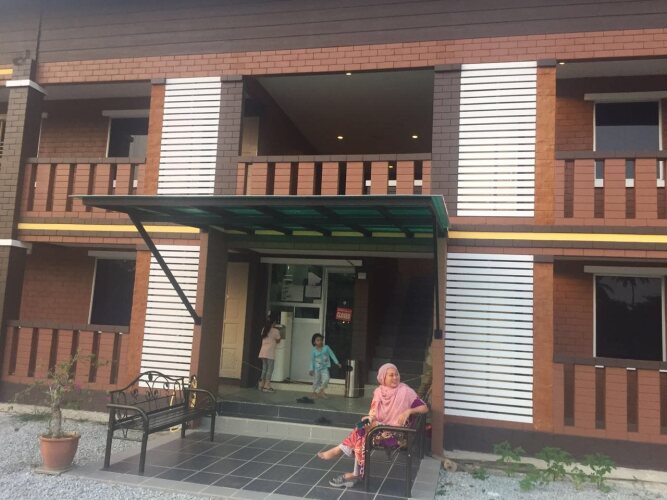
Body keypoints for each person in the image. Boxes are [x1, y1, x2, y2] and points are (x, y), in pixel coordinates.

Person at [317, 363, 428, 488]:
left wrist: (409, 411)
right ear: (383, 378)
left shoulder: (406, 391)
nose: (395, 377)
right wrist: (370, 418)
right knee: (362, 427)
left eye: (396, 374)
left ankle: (343, 453)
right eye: (391, 375)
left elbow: (424, 408)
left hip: (395, 434)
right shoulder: (379, 392)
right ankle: (353, 470)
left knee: (362, 431)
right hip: (380, 428)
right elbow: (373, 413)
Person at [309, 333, 341, 399]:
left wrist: (337, 362)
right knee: (316, 381)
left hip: (324, 368)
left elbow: (332, 354)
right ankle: (314, 392)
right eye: (318, 340)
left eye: (321, 340)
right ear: (314, 342)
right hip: (316, 369)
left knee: (326, 379)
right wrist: (311, 369)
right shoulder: (313, 351)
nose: (320, 341)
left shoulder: (326, 348)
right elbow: (312, 360)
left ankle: (320, 391)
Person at [258, 313, 281, 392]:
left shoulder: (264, 329)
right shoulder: (276, 330)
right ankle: (267, 386)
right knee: (270, 369)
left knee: (264, 368)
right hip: (270, 352)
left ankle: (261, 385)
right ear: (274, 322)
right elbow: (278, 340)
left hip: (262, 351)